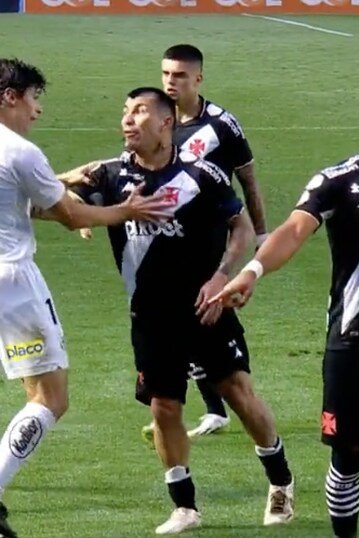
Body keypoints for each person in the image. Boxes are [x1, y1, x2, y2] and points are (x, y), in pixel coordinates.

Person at [210, 85, 359, 538]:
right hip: (351, 341)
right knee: (349, 454)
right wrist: (253, 271)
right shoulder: (337, 180)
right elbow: (293, 231)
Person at [71, 87, 293, 534]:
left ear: (166, 122)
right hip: (149, 316)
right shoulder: (110, 175)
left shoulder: (202, 174)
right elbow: (53, 196)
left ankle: (281, 483)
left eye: (139, 112)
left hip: (205, 307)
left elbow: (240, 226)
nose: (127, 120)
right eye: (124, 112)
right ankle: (185, 507)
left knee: (238, 394)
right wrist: (84, 209)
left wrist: (223, 275)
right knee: (164, 408)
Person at [0, 59, 168, 538]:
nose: (37, 111)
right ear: (10, 97)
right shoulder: (19, 151)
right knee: (50, 398)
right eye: (33, 99)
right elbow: (71, 216)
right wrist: (127, 209)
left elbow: (25, 204)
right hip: (12, 285)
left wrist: (62, 184)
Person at [145, 43, 268, 438]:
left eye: (180, 75)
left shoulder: (222, 125)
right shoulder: (157, 121)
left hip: (212, 239)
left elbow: (248, 180)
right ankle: (214, 407)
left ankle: (227, 400)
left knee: (203, 315)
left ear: (198, 78)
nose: (171, 82)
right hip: (168, 239)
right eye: (166, 74)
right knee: (184, 319)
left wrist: (262, 235)